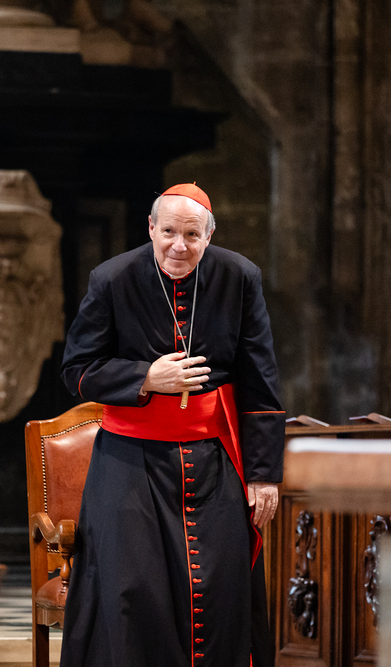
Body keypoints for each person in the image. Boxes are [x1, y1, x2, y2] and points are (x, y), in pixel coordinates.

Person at [59, 183, 286, 667]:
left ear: (209, 236)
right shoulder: (112, 278)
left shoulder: (239, 277)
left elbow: (260, 380)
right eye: (168, 233)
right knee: (132, 592)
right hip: (128, 463)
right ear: (151, 228)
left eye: (192, 235)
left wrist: (265, 473)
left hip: (214, 461)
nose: (179, 246)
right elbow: (76, 370)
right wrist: (145, 377)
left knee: (220, 586)